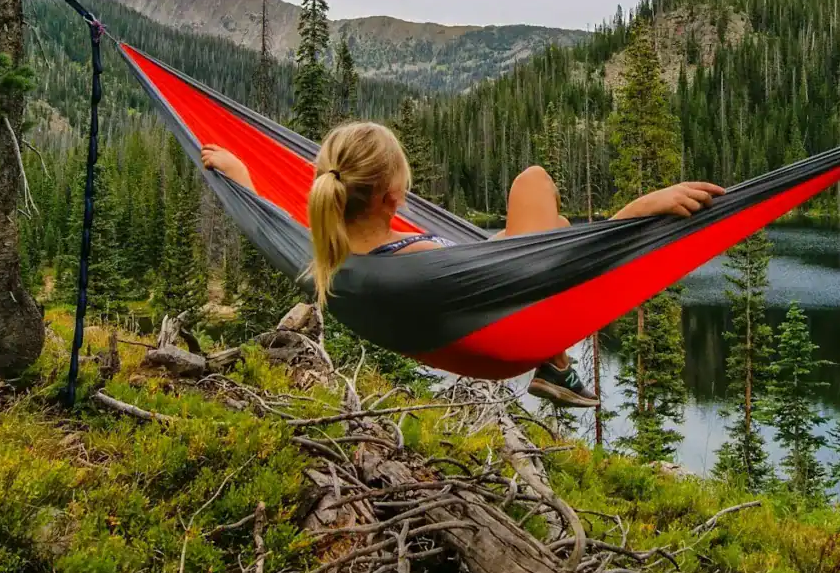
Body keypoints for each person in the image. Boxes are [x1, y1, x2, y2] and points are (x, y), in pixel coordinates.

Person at [200, 121, 725, 409]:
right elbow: (553, 275)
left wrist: (242, 179)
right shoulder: (418, 264)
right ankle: (555, 363)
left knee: (556, 222)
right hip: (509, 334)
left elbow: (270, 224)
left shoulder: (325, 255)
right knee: (533, 181)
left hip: (471, 307)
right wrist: (636, 214)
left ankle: (558, 365)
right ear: (391, 196)